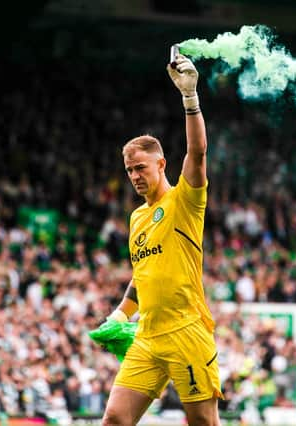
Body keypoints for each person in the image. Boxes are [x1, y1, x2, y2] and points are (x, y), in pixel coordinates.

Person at [101, 52, 222, 426]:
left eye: (140, 168)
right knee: (115, 420)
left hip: (186, 329)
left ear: (161, 165)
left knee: (203, 423)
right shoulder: (137, 217)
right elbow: (144, 272)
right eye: (129, 170)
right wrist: (121, 313)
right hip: (148, 335)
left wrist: (190, 97)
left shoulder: (184, 200)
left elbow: (198, 153)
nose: (134, 176)